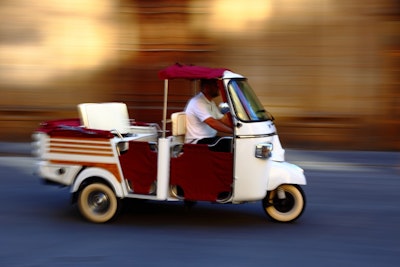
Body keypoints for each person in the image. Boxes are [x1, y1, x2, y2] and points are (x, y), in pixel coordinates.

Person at [184, 79, 233, 144]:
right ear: (206, 87)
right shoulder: (198, 102)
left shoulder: (210, 102)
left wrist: (237, 126)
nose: (218, 88)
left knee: (232, 141)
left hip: (209, 138)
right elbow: (211, 122)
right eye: (215, 85)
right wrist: (232, 131)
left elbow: (222, 119)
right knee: (230, 144)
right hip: (197, 141)